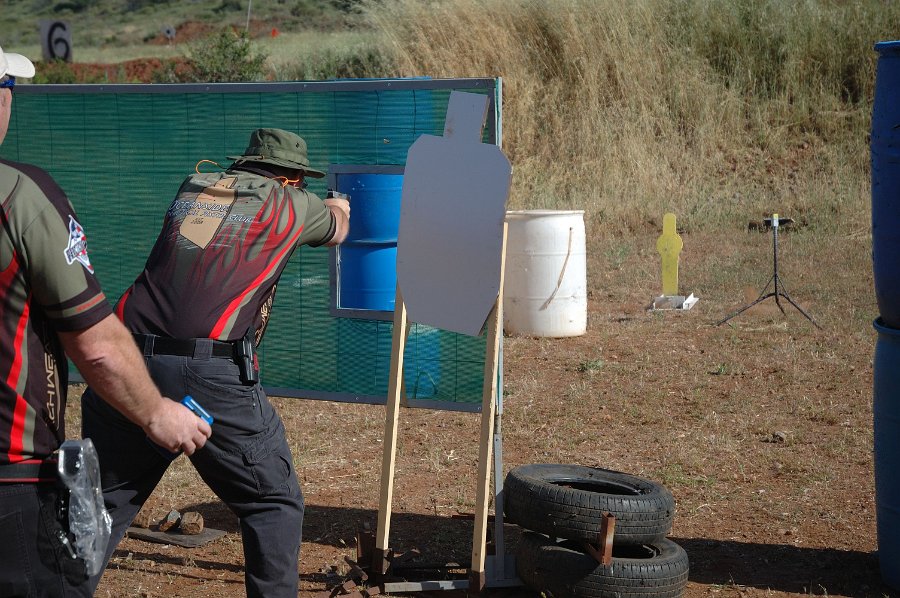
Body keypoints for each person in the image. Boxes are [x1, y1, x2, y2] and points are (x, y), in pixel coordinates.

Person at [80, 127, 351, 597]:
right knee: (272, 503)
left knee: (103, 504)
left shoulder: (197, 189)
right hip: (207, 371)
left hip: (128, 358)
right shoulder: (292, 203)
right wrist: (339, 205)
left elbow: (211, 240)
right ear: (291, 178)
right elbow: (336, 230)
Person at [0, 45, 212, 597]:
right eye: (7, 89)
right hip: (11, 475)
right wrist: (156, 413)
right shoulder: (21, 197)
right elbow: (94, 344)